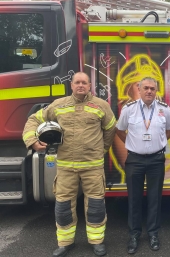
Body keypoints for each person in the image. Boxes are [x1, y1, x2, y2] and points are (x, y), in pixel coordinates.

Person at [22, 72, 117, 257]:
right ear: (71, 85)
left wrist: (101, 150)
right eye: (77, 82)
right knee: (63, 205)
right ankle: (65, 243)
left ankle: (97, 242)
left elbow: (111, 129)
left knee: (96, 206)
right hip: (66, 166)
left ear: (89, 85)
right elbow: (33, 120)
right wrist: (33, 141)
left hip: (93, 166)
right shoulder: (59, 105)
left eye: (84, 82)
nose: (80, 85)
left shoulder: (101, 106)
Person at [111, 54, 170, 183]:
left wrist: (161, 175)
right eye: (139, 85)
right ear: (128, 89)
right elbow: (129, 165)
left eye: (151, 86)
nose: (146, 90)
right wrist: (169, 163)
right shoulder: (122, 123)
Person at [116, 76, 170, 254]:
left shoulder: (165, 110)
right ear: (139, 90)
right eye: (146, 88)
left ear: (156, 91)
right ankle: (134, 234)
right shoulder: (129, 110)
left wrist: (159, 142)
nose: (149, 91)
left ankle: (153, 234)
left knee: (154, 199)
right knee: (134, 199)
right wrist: (131, 144)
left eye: (152, 88)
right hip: (134, 159)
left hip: (156, 160)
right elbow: (119, 130)